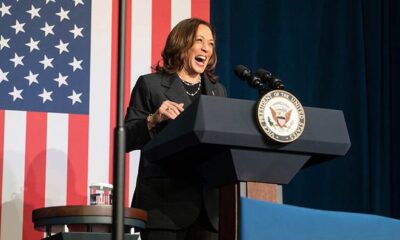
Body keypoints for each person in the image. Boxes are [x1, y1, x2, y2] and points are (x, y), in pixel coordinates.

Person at [124, 18, 227, 240]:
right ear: (182, 43)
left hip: (208, 211)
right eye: (199, 41)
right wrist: (153, 118)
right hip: (164, 206)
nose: (206, 48)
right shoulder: (150, 85)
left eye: (210, 43)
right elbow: (124, 140)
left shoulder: (218, 92)